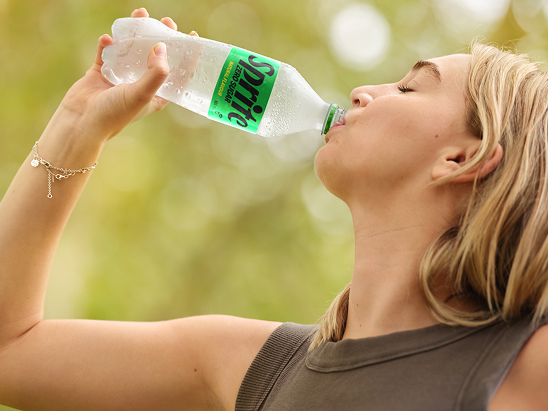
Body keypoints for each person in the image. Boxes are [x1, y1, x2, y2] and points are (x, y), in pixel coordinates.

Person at [0, 7, 547, 411]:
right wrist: (77, 125)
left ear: (462, 158)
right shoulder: (258, 367)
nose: (362, 92)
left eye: (407, 88)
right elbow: (10, 350)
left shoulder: (520, 366)